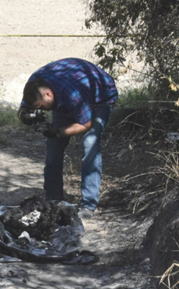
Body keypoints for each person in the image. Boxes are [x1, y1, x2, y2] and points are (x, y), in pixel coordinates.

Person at [18, 58, 118, 219]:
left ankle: (88, 205)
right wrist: (27, 117)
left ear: (48, 94)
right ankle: (53, 199)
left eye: (42, 107)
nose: (41, 110)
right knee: (53, 148)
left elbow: (86, 124)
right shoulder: (34, 85)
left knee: (90, 143)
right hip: (67, 96)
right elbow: (24, 108)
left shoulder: (72, 93)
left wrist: (57, 132)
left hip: (100, 97)